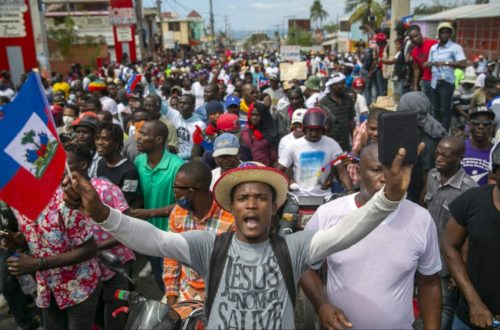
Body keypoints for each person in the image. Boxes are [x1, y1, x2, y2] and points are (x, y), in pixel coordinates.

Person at [62, 142, 418, 329]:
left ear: (273, 208)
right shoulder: (207, 246)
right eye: (244, 198)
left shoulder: (293, 248)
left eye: (261, 198)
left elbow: (346, 232)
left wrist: (389, 199)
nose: (252, 205)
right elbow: (154, 241)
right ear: (231, 208)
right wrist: (103, 214)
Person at [301, 143, 441, 330]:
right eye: (376, 170)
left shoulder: (421, 220)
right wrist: (322, 305)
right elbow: (304, 266)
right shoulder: (328, 214)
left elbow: (429, 282)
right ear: (358, 172)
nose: (386, 178)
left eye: (393, 170)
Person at [3, 189, 101, 330]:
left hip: (80, 287)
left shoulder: (64, 202)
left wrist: (39, 263)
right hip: (48, 290)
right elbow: (41, 235)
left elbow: (90, 249)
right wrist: (20, 241)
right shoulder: (17, 203)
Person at [66, 143, 135, 330]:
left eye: (67, 162)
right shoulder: (62, 194)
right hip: (84, 266)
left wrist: (94, 248)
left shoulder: (106, 188)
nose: (62, 167)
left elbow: (127, 227)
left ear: (82, 165)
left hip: (116, 260)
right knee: (90, 309)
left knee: (116, 305)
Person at [163, 161, 235, 313]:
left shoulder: (230, 220)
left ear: (191, 192)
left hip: (219, 295)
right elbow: (171, 257)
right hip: (185, 290)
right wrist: (171, 297)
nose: (173, 192)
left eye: (176, 187)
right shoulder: (178, 213)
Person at [442, 142, 500, 329]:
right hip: (469, 317)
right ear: (495, 172)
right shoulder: (473, 200)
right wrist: (474, 303)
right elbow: (449, 244)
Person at [425, 136, 478, 329]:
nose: (439, 158)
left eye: (445, 156)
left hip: (447, 265)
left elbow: (469, 238)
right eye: (437, 153)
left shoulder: (468, 190)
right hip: (426, 256)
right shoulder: (431, 176)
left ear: (459, 158)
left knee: (445, 307)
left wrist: (459, 274)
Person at [131, 120, 184, 293]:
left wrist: (150, 213)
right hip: (149, 237)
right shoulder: (139, 162)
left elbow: (184, 204)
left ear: (159, 140)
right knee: (161, 282)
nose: (138, 137)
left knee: (174, 285)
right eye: (139, 133)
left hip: (172, 238)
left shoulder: (177, 166)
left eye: (144, 134)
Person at [277, 108, 353, 200]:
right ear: (304, 130)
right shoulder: (293, 146)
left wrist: (350, 191)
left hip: (325, 197)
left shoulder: (332, 144)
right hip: (298, 198)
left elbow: (342, 171)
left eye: (317, 130)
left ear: (323, 130)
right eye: (310, 130)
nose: (314, 134)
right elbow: (279, 170)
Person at [398, 92, 447, 204]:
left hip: (417, 195)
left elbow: (428, 181)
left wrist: (420, 205)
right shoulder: (411, 130)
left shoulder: (427, 141)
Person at [0, 202, 39, 330]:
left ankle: (28, 321)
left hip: (18, 239)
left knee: (8, 284)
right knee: (8, 285)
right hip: (6, 243)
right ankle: (26, 321)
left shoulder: (9, 192)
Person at [427, 22, 466, 130]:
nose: (444, 35)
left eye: (447, 32)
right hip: (434, 82)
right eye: (442, 32)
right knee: (435, 109)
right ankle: (437, 131)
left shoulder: (455, 47)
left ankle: (444, 132)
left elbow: (463, 63)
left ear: (450, 34)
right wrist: (428, 64)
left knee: (445, 109)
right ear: (438, 34)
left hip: (447, 82)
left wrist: (446, 63)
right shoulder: (433, 48)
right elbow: (430, 62)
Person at [95, 122, 139, 206]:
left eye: (105, 139)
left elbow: (126, 203)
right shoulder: (101, 162)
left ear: (117, 143)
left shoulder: (130, 171)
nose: (99, 142)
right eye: (97, 138)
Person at [320, 73, 356, 151]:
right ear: (333, 86)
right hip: (329, 144)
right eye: (341, 84)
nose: (344, 86)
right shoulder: (323, 102)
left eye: (344, 83)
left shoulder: (348, 99)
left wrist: (354, 138)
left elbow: (351, 120)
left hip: (345, 143)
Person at [461, 106, 495, 186]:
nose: (481, 126)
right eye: (476, 122)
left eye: (486, 123)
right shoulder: (458, 147)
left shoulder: (496, 153)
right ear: (469, 126)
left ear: (492, 127)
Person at [240, 102, 278, 166]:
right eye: (252, 115)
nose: (254, 118)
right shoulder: (244, 132)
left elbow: (274, 157)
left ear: (263, 116)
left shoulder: (270, 133)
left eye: (257, 115)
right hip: (247, 170)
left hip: (265, 170)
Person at [408, 24, 438, 99]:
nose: (414, 39)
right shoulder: (414, 51)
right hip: (426, 81)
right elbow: (416, 68)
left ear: (420, 34)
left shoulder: (433, 43)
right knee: (426, 104)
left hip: (437, 79)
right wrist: (415, 85)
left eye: (416, 36)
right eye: (412, 38)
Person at [173, 94, 206, 160]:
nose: (182, 105)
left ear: (193, 107)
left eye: (185, 103)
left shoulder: (200, 125)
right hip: (175, 159)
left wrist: (178, 157)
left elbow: (198, 151)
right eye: (180, 103)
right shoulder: (176, 116)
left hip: (190, 161)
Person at [73, 113, 101, 178]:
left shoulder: (100, 156)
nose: (80, 136)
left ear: (94, 134)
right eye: (78, 132)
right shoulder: (72, 154)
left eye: (85, 132)